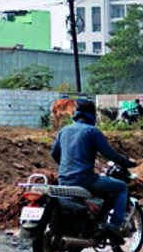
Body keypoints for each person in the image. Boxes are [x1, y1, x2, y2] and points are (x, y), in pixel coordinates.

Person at [50, 98, 138, 237]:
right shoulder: (92, 131)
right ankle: (114, 227)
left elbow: (54, 154)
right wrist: (128, 163)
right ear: (91, 114)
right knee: (121, 187)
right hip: (85, 180)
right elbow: (110, 154)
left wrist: (68, 166)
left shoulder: (64, 131)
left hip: (64, 180)